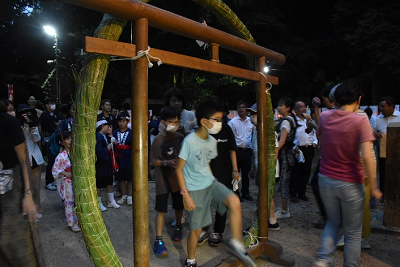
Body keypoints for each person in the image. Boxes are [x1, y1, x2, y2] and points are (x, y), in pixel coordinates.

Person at [175, 98, 256, 267]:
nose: (220, 123)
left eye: (221, 120)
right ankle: (190, 260)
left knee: (234, 200)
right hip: (195, 189)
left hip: (210, 182)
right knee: (196, 229)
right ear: (204, 121)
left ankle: (236, 244)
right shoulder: (189, 141)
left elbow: (208, 163)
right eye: (217, 120)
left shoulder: (211, 140)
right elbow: (179, 170)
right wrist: (185, 195)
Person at [313, 81, 382, 267]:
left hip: (325, 179)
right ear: (358, 100)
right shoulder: (360, 120)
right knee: (352, 233)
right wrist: (374, 187)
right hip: (351, 181)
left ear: (335, 99)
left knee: (332, 223)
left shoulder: (326, 117)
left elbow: (320, 139)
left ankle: (323, 258)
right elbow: (367, 156)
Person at [0, 100, 44, 266]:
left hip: (15, 184)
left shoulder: (9, 122)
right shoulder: (14, 122)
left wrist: (28, 195)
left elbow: (28, 151)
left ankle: (34, 207)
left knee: (19, 248)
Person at [150, 107, 185, 257]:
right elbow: (153, 161)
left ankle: (178, 226)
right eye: (171, 122)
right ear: (163, 122)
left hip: (178, 180)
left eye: (176, 122)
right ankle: (158, 240)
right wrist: (166, 163)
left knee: (179, 206)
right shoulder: (157, 140)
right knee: (161, 209)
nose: (174, 124)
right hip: (162, 181)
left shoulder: (180, 137)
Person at [206, 107, 241, 247]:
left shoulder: (226, 129)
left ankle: (217, 231)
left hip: (225, 171)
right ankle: (202, 229)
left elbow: (232, 150)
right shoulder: (204, 130)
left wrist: (235, 170)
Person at [247, 103, 280, 231]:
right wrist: (254, 169)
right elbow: (256, 152)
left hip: (268, 170)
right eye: (252, 114)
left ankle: (267, 221)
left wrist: (268, 170)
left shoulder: (268, 130)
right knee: (265, 196)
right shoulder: (256, 130)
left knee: (266, 196)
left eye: (255, 114)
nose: (252, 117)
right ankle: (270, 220)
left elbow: (275, 150)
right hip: (260, 168)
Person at [16, 104, 45, 215]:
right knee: (26, 186)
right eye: (23, 113)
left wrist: (32, 125)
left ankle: (37, 207)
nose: (26, 115)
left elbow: (37, 139)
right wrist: (21, 125)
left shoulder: (33, 124)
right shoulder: (17, 126)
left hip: (35, 158)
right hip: (23, 160)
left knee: (36, 187)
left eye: (28, 113)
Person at [52, 131, 81, 232]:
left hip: (78, 180)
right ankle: (72, 222)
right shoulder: (61, 156)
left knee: (79, 201)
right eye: (68, 139)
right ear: (62, 142)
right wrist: (65, 173)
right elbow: (55, 170)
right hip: (68, 182)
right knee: (70, 202)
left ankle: (80, 221)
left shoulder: (77, 153)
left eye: (71, 138)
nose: (71, 141)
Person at [372, 96, 400, 199]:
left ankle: (395, 194)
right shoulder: (378, 118)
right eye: (380, 107)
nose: (381, 108)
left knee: (396, 174)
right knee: (383, 173)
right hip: (383, 151)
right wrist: (375, 133)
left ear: (391, 106)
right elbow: (373, 130)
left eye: (383, 106)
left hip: (396, 152)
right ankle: (384, 194)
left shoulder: (399, 116)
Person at [290, 101, 318, 202]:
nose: (303, 109)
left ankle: (302, 193)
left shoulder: (309, 120)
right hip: (298, 148)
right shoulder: (293, 121)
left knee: (306, 172)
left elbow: (314, 133)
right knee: (296, 172)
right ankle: (293, 193)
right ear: (296, 110)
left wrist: (315, 142)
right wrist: (294, 147)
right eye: (300, 107)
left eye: (304, 107)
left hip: (309, 148)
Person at [228, 100, 255, 201]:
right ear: (237, 109)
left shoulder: (250, 121)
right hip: (237, 150)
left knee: (246, 173)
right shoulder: (232, 122)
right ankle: (235, 192)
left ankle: (245, 192)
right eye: (239, 107)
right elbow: (231, 138)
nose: (241, 109)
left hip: (247, 150)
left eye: (243, 107)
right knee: (236, 172)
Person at [275, 97, 297, 219]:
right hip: (289, 155)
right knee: (284, 181)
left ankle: (284, 210)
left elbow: (282, 140)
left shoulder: (286, 122)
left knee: (284, 181)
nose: (278, 107)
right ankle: (283, 208)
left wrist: (276, 151)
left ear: (287, 108)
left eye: (280, 105)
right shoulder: (290, 119)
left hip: (285, 156)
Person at [95, 119, 120, 211]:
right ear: (103, 126)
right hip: (101, 163)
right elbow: (99, 151)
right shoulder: (98, 136)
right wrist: (108, 147)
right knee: (99, 183)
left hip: (106, 163)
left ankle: (111, 201)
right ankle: (98, 202)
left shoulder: (104, 136)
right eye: (107, 126)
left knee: (109, 181)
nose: (109, 128)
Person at [40, 98, 62, 191]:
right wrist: (55, 125)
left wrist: (58, 125)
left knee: (58, 161)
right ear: (46, 105)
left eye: (53, 103)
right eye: (51, 103)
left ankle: (55, 180)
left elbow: (61, 122)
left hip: (58, 139)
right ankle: (48, 182)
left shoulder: (57, 114)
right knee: (51, 161)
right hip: (49, 139)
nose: (53, 105)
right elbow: (48, 127)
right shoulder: (44, 115)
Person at [113, 112, 133, 206]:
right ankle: (123, 195)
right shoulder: (114, 133)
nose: (122, 123)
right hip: (118, 158)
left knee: (129, 178)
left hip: (128, 157)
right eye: (120, 121)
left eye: (124, 121)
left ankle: (130, 196)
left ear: (127, 121)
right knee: (120, 178)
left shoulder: (131, 132)